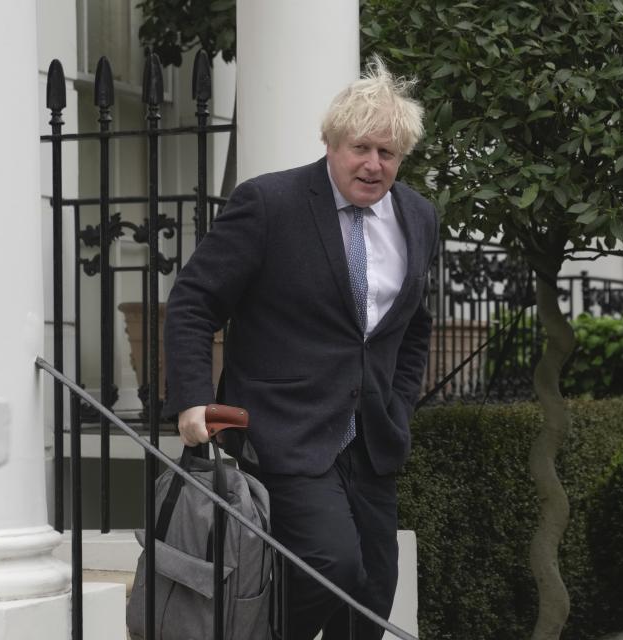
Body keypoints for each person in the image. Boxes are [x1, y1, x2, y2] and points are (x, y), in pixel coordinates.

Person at [163, 56, 438, 640]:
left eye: (387, 153)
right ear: (332, 143)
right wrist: (192, 399)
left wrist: (400, 404)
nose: (373, 164)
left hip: (370, 438)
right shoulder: (270, 203)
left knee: (370, 594)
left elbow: (413, 326)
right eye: (361, 148)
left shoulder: (418, 216)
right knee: (329, 564)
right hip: (280, 428)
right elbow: (193, 302)